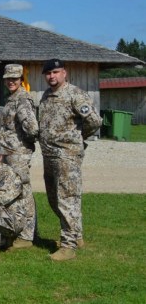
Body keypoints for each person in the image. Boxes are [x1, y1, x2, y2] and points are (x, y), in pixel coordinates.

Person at [38, 58, 101, 261]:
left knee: (67, 199)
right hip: (49, 155)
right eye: (48, 73)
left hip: (67, 155)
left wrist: (77, 138)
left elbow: (94, 121)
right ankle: (77, 235)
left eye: (55, 72)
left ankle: (68, 246)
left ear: (64, 73)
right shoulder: (46, 96)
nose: (52, 76)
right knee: (54, 199)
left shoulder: (75, 94)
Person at [0, 63, 39, 249]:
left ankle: (27, 235)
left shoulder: (22, 99)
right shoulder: (12, 98)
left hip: (18, 154)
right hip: (9, 152)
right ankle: (16, 230)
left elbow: (32, 128)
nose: (11, 82)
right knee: (14, 191)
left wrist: (22, 144)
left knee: (23, 192)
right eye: (8, 79)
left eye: (14, 78)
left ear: (21, 79)